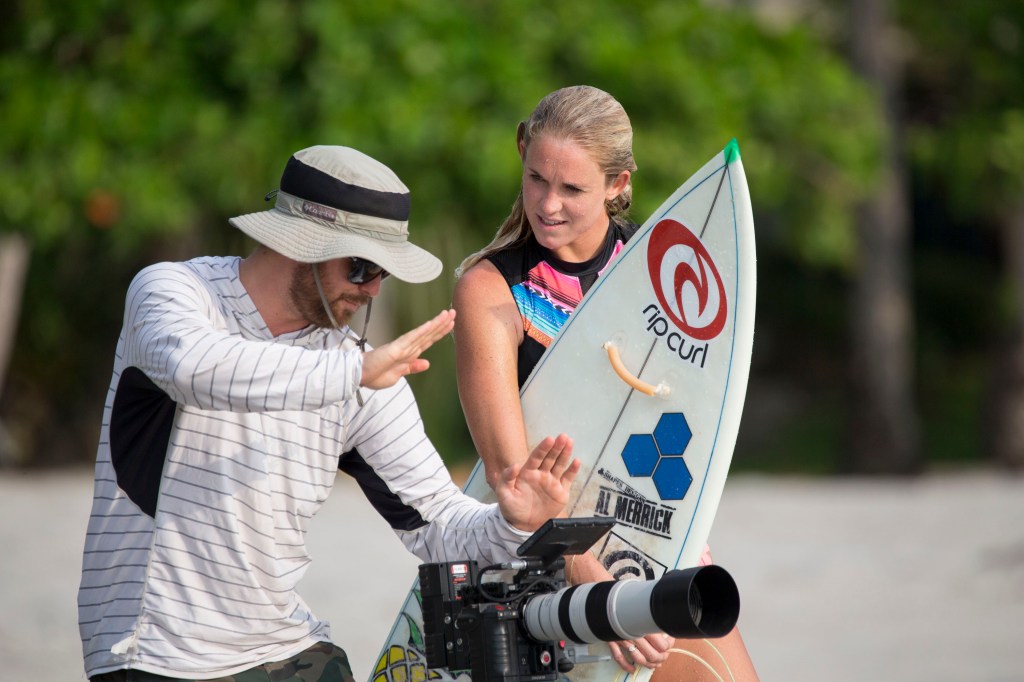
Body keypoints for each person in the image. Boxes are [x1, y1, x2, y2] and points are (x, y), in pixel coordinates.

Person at [77, 145, 581, 682]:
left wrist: (513, 521)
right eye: (362, 266)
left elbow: (437, 522)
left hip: (288, 643)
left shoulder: (359, 370)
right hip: (158, 653)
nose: (373, 288)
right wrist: (354, 373)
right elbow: (193, 368)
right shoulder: (176, 291)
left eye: (384, 271)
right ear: (301, 245)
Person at [452, 86, 760, 681]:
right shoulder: (491, 290)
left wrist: (676, 539)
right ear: (521, 151)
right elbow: (511, 477)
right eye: (537, 179)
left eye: (572, 189)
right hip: (535, 566)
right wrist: (593, 582)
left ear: (618, 183)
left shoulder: (656, 274)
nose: (548, 204)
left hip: (645, 547)